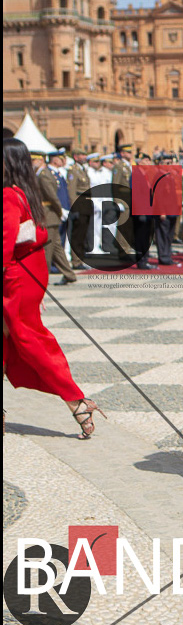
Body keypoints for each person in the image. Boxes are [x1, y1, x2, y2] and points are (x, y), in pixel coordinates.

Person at [3, 138, 104, 438]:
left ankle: (76, 400)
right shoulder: (26, 191)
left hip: (13, 280)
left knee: (31, 343)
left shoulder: (8, 195)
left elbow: (5, 245)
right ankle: (77, 403)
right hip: (28, 277)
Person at [32, 149, 77, 285]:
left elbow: (52, 196)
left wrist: (60, 211)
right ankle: (69, 274)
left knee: (47, 248)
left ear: (40, 160)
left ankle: (42, 278)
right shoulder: (44, 173)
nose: (31, 163)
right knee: (57, 248)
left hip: (49, 214)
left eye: (33, 160)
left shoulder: (44, 175)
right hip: (51, 214)